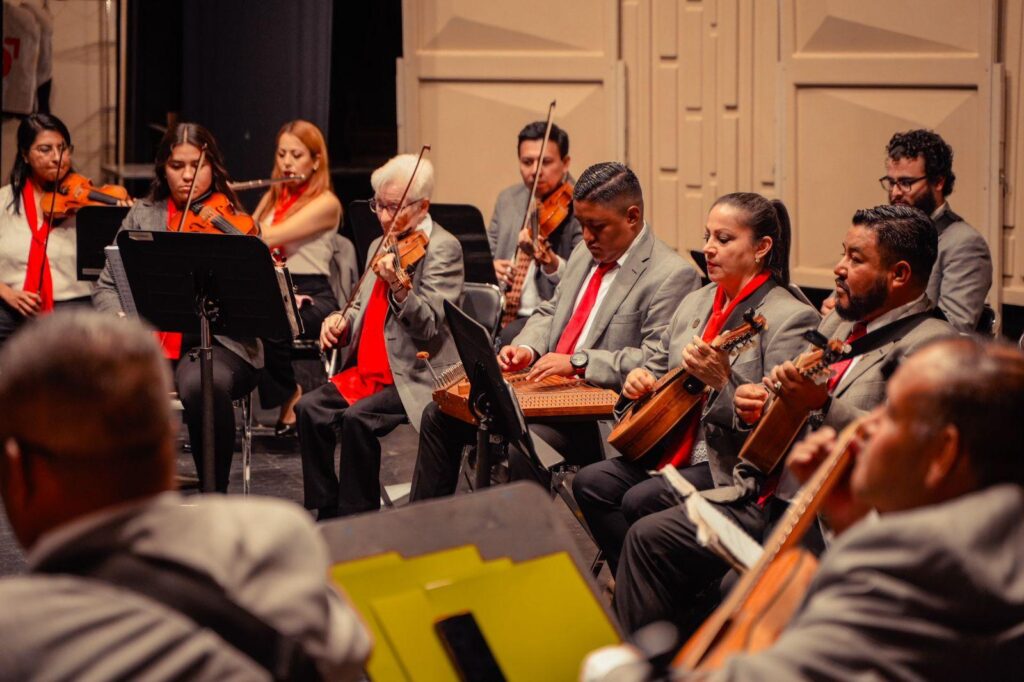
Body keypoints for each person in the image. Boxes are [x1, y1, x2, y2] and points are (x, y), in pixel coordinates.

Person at [613, 204, 954, 634]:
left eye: (856, 258)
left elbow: (906, 455)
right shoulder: (838, 322)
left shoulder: (933, 350)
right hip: (766, 495)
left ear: (900, 274)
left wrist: (821, 406)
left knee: (741, 587)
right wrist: (756, 400)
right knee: (647, 537)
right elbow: (779, 410)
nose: (839, 268)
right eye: (843, 253)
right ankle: (657, 661)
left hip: (830, 522)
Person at [0, 309, 370, 680]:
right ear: (169, 440)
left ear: (17, 472)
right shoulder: (274, 539)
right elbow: (349, 661)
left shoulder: (13, 629)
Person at [409, 162, 702, 502]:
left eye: (597, 226)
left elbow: (656, 364)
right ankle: (425, 530)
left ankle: (523, 550)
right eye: (582, 225)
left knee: (525, 445)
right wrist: (527, 348)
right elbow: (551, 311)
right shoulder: (584, 253)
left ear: (632, 217)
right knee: (439, 416)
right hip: (546, 394)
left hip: (598, 417)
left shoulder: (671, 275)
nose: (587, 237)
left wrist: (578, 361)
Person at [572, 193, 820, 574]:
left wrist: (724, 381)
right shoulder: (695, 302)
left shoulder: (791, 317)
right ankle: (645, 581)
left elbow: (780, 425)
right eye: (707, 236)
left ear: (762, 248)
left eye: (724, 239)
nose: (708, 248)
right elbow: (655, 373)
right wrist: (638, 386)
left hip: (727, 460)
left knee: (642, 500)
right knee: (591, 483)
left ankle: (662, 587)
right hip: (668, 441)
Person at [93, 122, 262, 493]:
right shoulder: (142, 214)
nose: (187, 175)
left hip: (222, 344)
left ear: (213, 168)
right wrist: (120, 318)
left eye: (197, 166)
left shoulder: (232, 218)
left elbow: (254, 290)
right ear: (162, 168)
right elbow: (107, 284)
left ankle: (213, 495)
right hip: (153, 341)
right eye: (176, 165)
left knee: (204, 382)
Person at [296, 153, 464, 519]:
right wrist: (338, 321)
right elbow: (357, 307)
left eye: (394, 208)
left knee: (358, 420)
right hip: (368, 369)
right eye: (379, 206)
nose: (385, 217)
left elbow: (429, 325)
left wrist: (399, 286)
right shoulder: (378, 246)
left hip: (412, 374)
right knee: (308, 409)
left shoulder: (442, 249)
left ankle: (358, 516)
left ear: (423, 207)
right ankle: (327, 508)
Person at [822, 129, 992, 332]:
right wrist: (838, 307)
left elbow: (954, 329)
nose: (895, 193)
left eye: (906, 183)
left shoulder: (965, 244)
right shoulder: (883, 233)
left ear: (938, 181)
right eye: (891, 182)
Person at [253, 120, 354, 436]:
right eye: (282, 153)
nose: (286, 162)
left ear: (316, 160)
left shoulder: (326, 203)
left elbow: (265, 237)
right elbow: (246, 234)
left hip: (313, 294)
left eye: (296, 155)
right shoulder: (273, 198)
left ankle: (289, 393)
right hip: (275, 289)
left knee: (269, 320)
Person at [0, 113, 95, 347]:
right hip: (12, 304)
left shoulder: (87, 203)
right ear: (24, 154)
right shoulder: (2, 201)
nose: (57, 158)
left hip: (72, 303)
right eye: (45, 149)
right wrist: (8, 293)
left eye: (62, 148)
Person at [490, 121, 582, 345]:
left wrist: (550, 261)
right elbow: (489, 251)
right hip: (502, 310)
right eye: (527, 162)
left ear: (565, 163)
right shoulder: (508, 199)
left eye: (546, 162)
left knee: (510, 337)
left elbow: (585, 275)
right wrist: (491, 267)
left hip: (549, 315)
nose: (535, 171)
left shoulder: (580, 205)